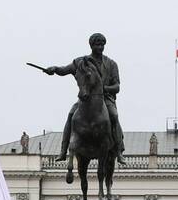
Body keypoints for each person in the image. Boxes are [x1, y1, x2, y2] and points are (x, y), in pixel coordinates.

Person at [46, 32, 125, 165]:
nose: (100, 47)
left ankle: (118, 151)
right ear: (91, 45)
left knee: (114, 115)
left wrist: (105, 89)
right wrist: (54, 69)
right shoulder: (81, 62)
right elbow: (64, 70)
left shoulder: (111, 64)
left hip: (105, 100)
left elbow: (117, 86)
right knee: (71, 114)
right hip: (85, 99)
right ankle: (63, 150)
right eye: (97, 44)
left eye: (102, 45)